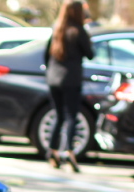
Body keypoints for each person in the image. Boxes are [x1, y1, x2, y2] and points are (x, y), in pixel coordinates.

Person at [43, 0, 93, 172]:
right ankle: (69, 151)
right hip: (71, 79)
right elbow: (90, 54)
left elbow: (46, 54)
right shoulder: (79, 31)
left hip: (54, 79)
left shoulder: (57, 28)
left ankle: (52, 150)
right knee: (71, 116)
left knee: (58, 115)